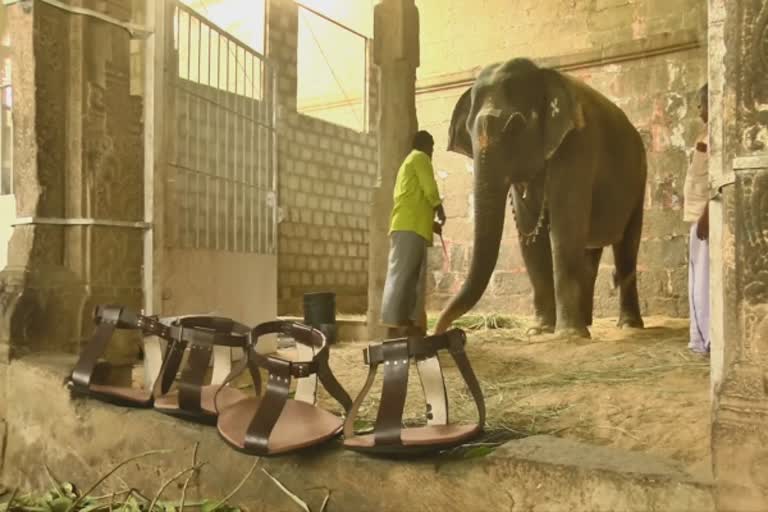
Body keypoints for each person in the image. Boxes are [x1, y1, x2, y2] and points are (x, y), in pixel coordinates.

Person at [380, 130, 446, 338]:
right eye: (432, 147)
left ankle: (407, 323)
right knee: (401, 275)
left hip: (414, 227)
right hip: (409, 227)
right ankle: (392, 323)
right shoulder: (419, 157)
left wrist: (431, 224)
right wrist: (439, 207)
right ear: (424, 145)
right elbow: (429, 187)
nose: (432, 152)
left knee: (411, 278)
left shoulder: (410, 163)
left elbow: (416, 198)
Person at [683, 83, 709, 354]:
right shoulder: (707, 136)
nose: (699, 110)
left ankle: (707, 339)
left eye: (701, 104)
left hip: (707, 219)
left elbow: (716, 183)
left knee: (703, 282)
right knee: (697, 279)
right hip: (699, 218)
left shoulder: (719, 139)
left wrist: (706, 215)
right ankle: (702, 338)